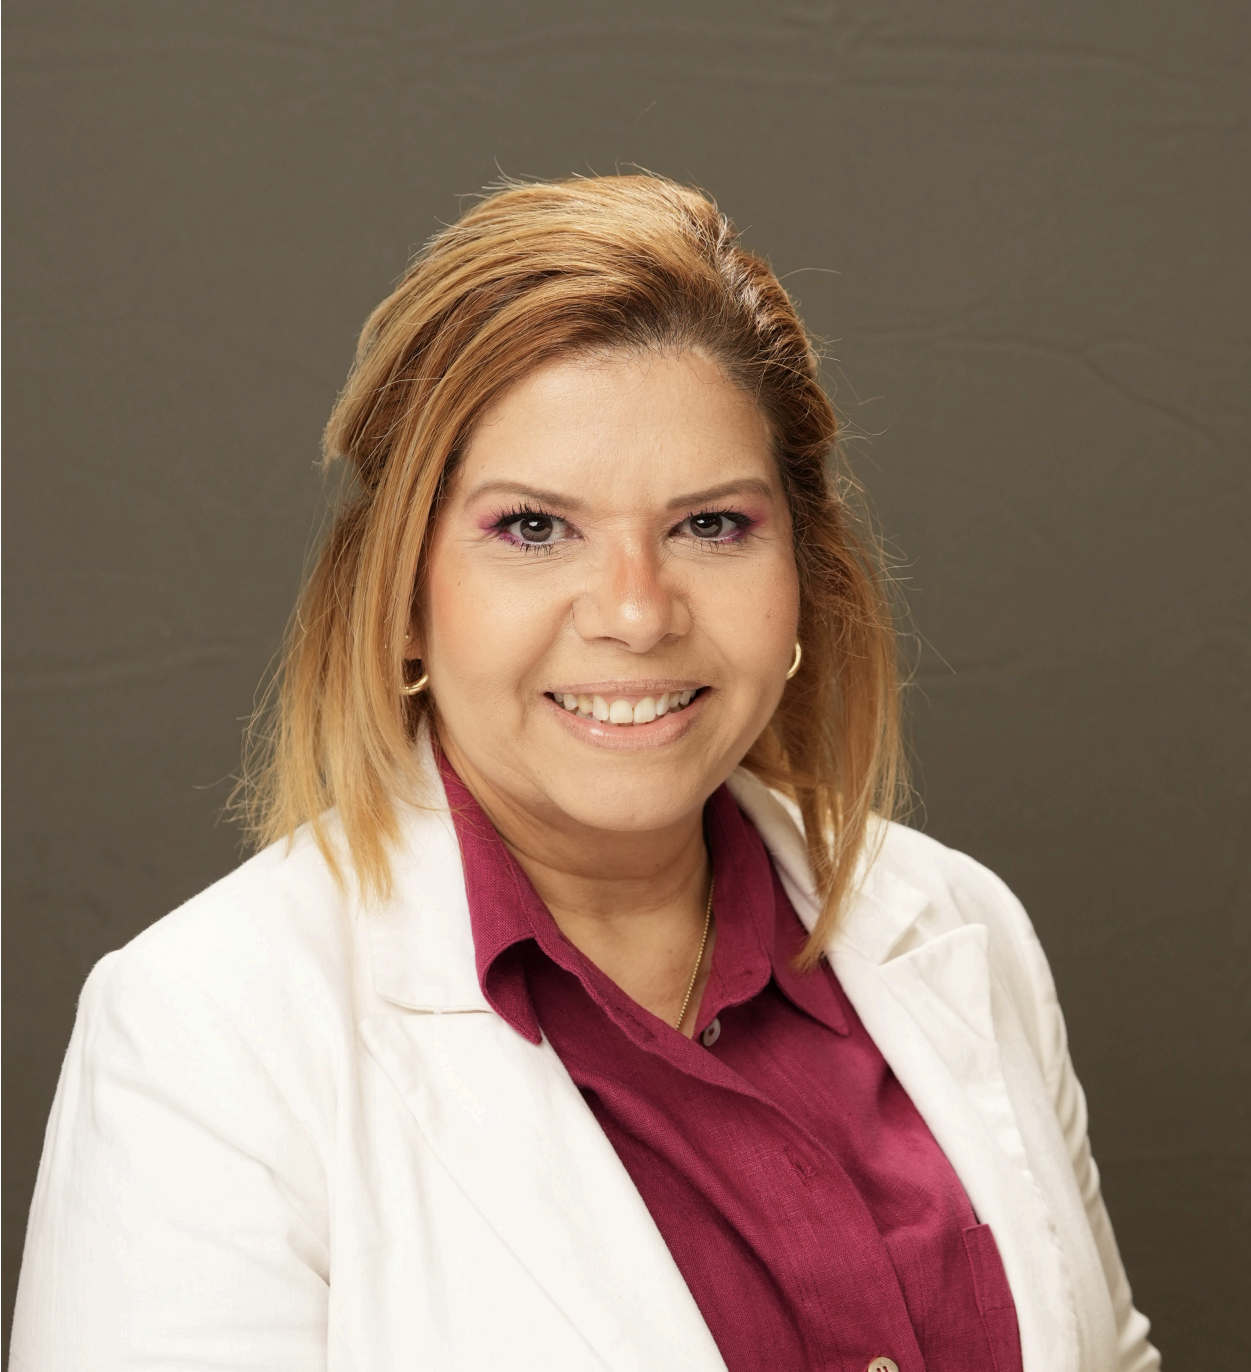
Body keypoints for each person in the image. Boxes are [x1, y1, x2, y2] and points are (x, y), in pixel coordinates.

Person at [11, 175, 1159, 1372]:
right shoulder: (202, 1035)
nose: (634, 612)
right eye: (533, 527)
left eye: (711, 525)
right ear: (400, 599)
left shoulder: (965, 926)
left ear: (802, 575)